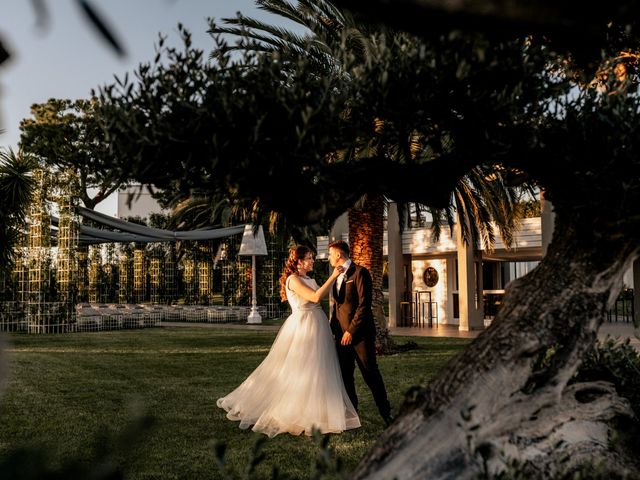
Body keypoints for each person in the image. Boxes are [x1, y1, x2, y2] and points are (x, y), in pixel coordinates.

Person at [217, 245, 360, 438]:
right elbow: (315, 296)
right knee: (300, 369)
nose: (312, 261)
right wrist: (333, 276)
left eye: (311, 258)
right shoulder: (293, 280)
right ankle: (296, 412)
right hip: (303, 327)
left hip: (318, 325)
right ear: (299, 261)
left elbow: (322, 296)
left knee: (319, 369)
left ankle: (319, 412)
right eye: (309, 258)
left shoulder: (310, 278)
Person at [327, 240, 393, 426]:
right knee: (346, 375)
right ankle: (352, 415)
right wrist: (334, 332)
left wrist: (351, 331)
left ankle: (386, 413)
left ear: (339, 254)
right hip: (341, 337)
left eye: (331, 254)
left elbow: (364, 305)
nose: (329, 257)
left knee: (370, 373)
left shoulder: (360, 273)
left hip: (360, 335)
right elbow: (337, 308)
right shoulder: (335, 277)